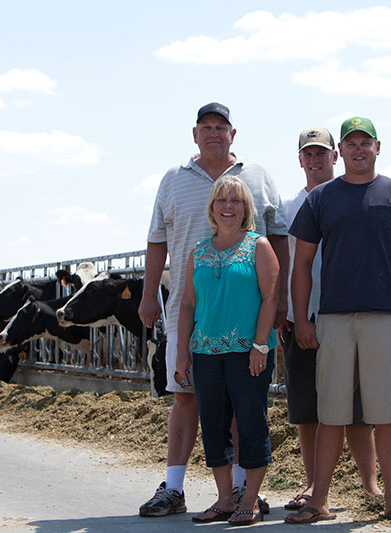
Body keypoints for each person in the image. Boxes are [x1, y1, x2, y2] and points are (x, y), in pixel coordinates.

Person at [138, 103, 288, 518]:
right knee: (185, 398)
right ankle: (174, 487)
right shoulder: (172, 180)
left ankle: (242, 492)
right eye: (206, 127)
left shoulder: (257, 176)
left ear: (233, 134)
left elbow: (279, 238)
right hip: (191, 317)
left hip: (245, 319)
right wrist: (150, 295)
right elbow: (156, 241)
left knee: (242, 406)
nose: (214, 134)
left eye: (221, 127)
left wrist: (283, 300)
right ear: (195, 134)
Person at [285, 117, 391, 525]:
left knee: (386, 413)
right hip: (332, 318)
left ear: (377, 147)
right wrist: (303, 319)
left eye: (364, 142)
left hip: (384, 317)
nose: (358, 149)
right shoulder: (321, 199)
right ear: (342, 152)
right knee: (331, 413)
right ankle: (319, 500)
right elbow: (302, 263)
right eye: (351, 143)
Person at [281, 128, 382, 513]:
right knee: (309, 409)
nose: (315, 160)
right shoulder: (286, 207)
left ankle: (370, 486)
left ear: (334, 157)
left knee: (357, 410)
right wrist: (282, 310)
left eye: (322, 152)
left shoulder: (351, 197)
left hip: (345, 315)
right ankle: (312, 486)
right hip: (300, 318)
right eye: (308, 153)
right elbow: (282, 260)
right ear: (300, 160)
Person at [176, 176, 278, 525]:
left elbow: (271, 298)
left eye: (236, 201)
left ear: (246, 208)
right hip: (205, 352)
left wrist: (260, 344)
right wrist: (181, 353)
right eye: (222, 200)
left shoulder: (259, 246)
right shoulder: (199, 252)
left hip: (248, 351)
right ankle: (223, 499)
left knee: (251, 422)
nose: (228, 207)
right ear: (212, 208)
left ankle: (249, 499)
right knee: (214, 426)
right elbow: (188, 305)